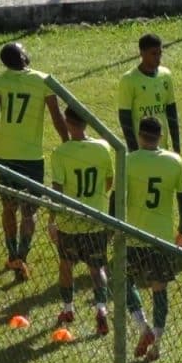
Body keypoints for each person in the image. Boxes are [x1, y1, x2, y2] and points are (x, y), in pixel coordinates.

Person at [0, 42, 68, 281]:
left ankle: (12, 253)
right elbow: (57, 117)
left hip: (6, 156)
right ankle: (22, 257)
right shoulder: (43, 80)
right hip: (32, 159)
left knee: (9, 207)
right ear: (24, 57)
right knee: (29, 212)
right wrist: (67, 141)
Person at [125, 117, 182, 361]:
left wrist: (112, 226)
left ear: (140, 136)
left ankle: (143, 327)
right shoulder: (174, 161)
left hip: (133, 236)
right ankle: (157, 345)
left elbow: (116, 198)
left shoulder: (129, 161)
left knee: (124, 281)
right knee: (159, 290)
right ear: (160, 137)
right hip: (160, 239)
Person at [47, 106, 114, 335]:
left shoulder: (60, 153)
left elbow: (57, 189)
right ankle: (102, 310)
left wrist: (52, 220)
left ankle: (68, 309)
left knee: (66, 265)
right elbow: (108, 181)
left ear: (67, 123)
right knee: (97, 268)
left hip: (69, 222)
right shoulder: (103, 148)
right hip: (95, 219)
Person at [118, 33, 181, 154]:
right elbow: (124, 117)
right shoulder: (129, 80)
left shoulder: (166, 76)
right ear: (142, 53)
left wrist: (177, 147)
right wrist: (133, 150)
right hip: (141, 148)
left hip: (162, 148)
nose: (158, 58)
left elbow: (171, 112)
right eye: (153, 54)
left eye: (160, 53)